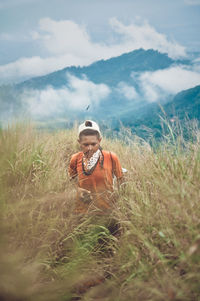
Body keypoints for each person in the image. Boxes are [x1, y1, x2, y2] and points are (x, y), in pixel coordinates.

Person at [68, 120, 124, 219]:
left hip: (106, 214)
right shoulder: (75, 159)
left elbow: (122, 183)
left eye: (94, 144)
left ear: (100, 141)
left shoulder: (111, 157)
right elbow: (70, 181)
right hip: (82, 214)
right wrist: (77, 190)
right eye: (85, 144)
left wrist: (118, 203)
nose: (90, 148)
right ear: (79, 142)